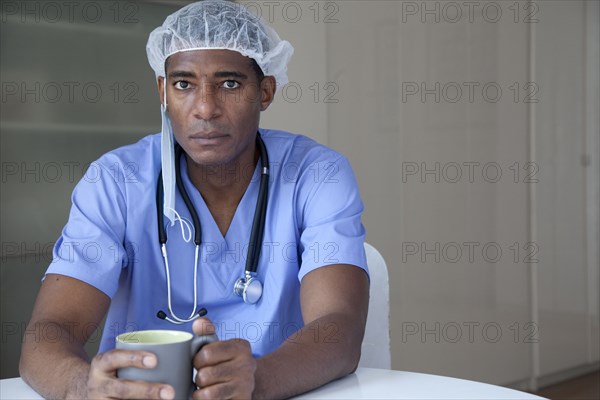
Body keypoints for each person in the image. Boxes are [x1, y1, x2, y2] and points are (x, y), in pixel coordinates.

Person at [19, 1, 369, 399]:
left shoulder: (316, 174)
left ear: (266, 91)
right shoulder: (116, 181)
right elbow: (48, 333)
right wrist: (83, 388)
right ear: (162, 92)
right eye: (183, 84)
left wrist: (257, 379)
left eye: (230, 84)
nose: (205, 109)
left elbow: (339, 329)